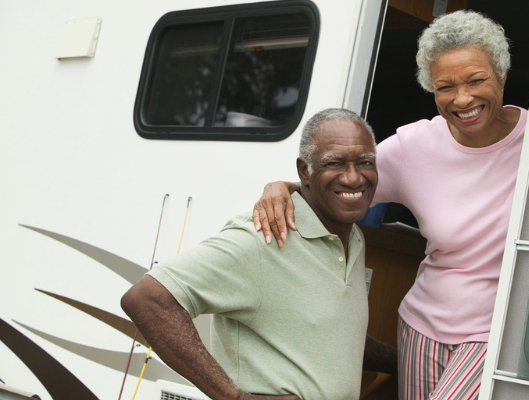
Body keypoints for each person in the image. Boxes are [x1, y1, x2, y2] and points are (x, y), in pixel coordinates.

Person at [252, 11, 527, 400]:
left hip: (498, 329)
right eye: (445, 87)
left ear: (501, 74)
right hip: (422, 325)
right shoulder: (414, 147)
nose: (462, 99)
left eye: (476, 80)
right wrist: (282, 187)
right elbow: (342, 187)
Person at [121, 108, 396, 400]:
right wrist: (235, 397)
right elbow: (147, 298)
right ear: (305, 171)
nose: (354, 178)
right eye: (335, 163)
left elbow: (334, 337)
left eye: (365, 162)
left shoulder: (353, 238)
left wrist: (405, 361)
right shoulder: (263, 238)